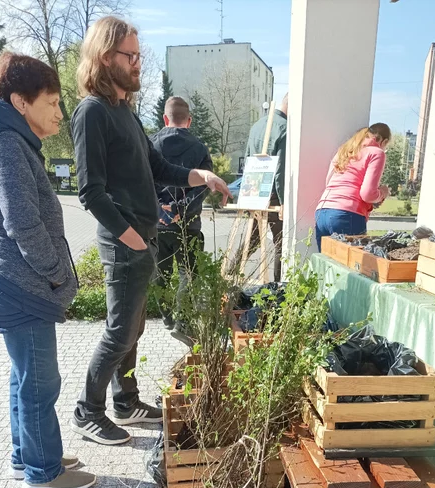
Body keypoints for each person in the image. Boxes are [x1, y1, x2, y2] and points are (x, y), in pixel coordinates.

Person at [71, 17, 231, 446]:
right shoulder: (92, 112)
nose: (138, 63)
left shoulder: (124, 111)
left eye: (140, 55)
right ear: (106, 57)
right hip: (126, 241)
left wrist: (201, 175)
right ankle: (88, 411)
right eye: (131, 55)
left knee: (135, 327)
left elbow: (157, 168)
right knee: (120, 329)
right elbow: (90, 191)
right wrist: (131, 237)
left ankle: (126, 401)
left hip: (144, 237)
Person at [0, 53, 96, 488]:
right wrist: (56, 275)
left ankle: (28, 454)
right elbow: (22, 224)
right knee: (40, 381)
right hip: (22, 285)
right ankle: (42, 474)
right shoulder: (5, 144)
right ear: (20, 101)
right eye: (52, 102)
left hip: (13, 282)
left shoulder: (8, 137)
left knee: (24, 376)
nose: (60, 113)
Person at [150, 96, 213, 334]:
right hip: (189, 223)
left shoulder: (150, 144)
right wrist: (182, 208)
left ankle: (167, 320)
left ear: (165, 118)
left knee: (161, 274)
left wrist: (159, 208)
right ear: (189, 120)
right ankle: (183, 321)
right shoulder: (199, 147)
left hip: (157, 224)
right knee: (189, 273)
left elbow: (142, 180)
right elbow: (205, 183)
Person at [315, 123, 391, 251]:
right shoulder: (377, 153)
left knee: (325, 266)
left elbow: (328, 181)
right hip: (348, 214)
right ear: (384, 141)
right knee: (350, 267)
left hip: (322, 211)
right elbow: (367, 194)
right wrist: (382, 193)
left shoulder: (346, 150)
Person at [242, 93, 288, 282]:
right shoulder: (284, 128)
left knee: (250, 242)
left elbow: (247, 159)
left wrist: (246, 194)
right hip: (273, 196)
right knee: (281, 243)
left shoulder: (257, 125)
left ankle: (230, 276)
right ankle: (278, 287)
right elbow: (280, 170)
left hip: (254, 192)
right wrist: (284, 202)